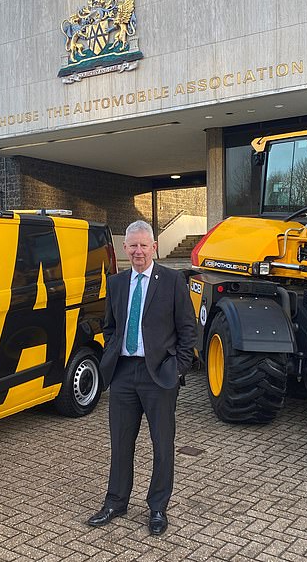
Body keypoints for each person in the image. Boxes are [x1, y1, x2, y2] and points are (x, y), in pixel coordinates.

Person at [86, 220, 196, 536]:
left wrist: (178, 369)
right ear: (126, 249)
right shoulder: (117, 283)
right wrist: (112, 352)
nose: (138, 251)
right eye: (132, 246)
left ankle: (158, 508)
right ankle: (115, 502)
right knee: (121, 443)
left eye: (143, 246)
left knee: (162, 445)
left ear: (154, 247)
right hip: (123, 374)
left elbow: (187, 328)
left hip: (160, 375)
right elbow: (110, 326)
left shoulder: (173, 281)